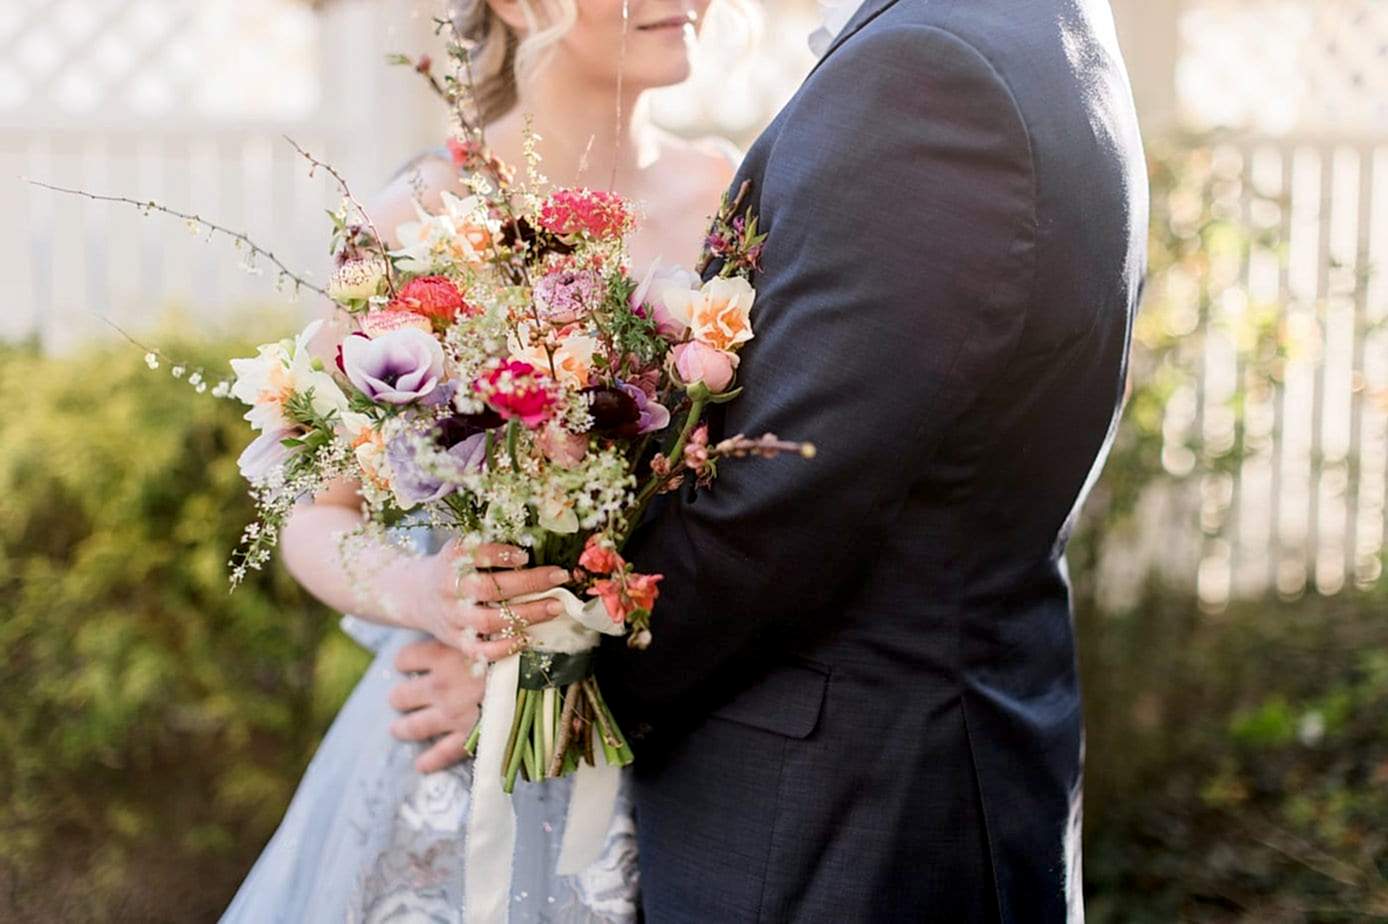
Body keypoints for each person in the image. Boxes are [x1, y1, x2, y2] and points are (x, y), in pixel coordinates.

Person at [439, 0, 1150, 920]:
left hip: (845, 808)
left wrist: (561, 671)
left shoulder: (926, 73)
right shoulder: (1041, 24)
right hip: (929, 762)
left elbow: (780, 500)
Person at [220, 2, 736, 921]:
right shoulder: (419, 215)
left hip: (686, 766)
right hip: (457, 762)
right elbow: (309, 509)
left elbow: (773, 513)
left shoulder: (733, 197)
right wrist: (428, 599)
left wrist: (564, 658)